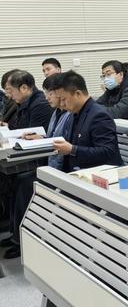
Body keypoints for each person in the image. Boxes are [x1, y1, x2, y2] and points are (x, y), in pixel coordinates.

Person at [3, 71, 122, 259]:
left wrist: (71, 149)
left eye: (64, 99)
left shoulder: (98, 115)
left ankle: (31, 240)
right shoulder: (77, 113)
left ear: (77, 94)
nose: (62, 105)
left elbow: (108, 153)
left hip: (96, 176)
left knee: (28, 183)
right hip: (74, 172)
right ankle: (25, 237)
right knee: (23, 181)